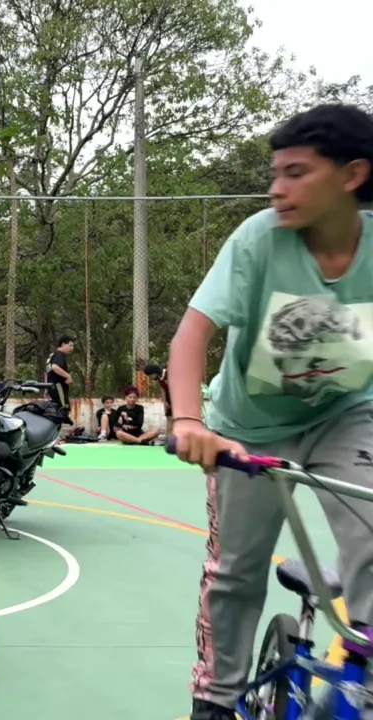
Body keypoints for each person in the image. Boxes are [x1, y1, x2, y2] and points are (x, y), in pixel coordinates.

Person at [165, 103, 373, 720]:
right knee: (237, 570)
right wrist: (188, 422)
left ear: (352, 175)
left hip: (345, 414)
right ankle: (215, 697)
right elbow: (191, 335)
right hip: (247, 428)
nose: (277, 189)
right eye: (276, 173)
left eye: (296, 173)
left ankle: (362, 663)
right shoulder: (260, 238)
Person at [45, 336, 74, 407]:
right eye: (70, 345)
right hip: (58, 386)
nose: (72, 348)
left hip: (51, 386)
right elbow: (55, 367)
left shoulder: (52, 356)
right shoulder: (59, 354)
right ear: (63, 344)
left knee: (57, 408)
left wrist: (46, 387)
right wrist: (68, 376)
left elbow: (47, 372)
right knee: (63, 408)